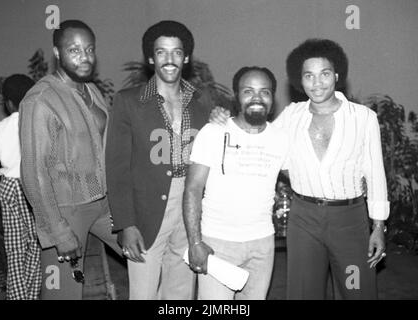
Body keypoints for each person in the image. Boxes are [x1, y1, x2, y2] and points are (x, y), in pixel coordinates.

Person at [210, 39, 389, 300]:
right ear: (300, 80)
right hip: (304, 218)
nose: (317, 83)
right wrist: (222, 120)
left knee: (357, 289)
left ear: (337, 76)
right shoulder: (292, 117)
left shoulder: (363, 118)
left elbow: (375, 174)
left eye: (324, 74)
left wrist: (379, 226)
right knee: (304, 292)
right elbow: (256, 135)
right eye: (309, 76)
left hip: (349, 220)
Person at [106, 20, 216, 300]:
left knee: (179, 292)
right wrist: (125, 224)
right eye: (162, 52)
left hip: (190, 207)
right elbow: (117, 168)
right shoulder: (129, 101)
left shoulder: (202, 101)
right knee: (142, 294)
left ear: (186, 57)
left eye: (177, 52)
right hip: (145, 213)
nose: (169, 59)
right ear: (150, 57)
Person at [19, 20, 121, 300]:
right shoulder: (40, 100)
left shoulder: (90, 90)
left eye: (89, 49)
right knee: (64, 291)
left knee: (143, 251)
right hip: (66, 209)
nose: (84, 57)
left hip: (103, 201)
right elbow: (34, 172)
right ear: (56, 52)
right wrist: (58, 232)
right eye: (74, 50)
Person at [183, 67, 288, 300]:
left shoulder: (281, 139)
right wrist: (195, 242)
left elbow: (304, 177)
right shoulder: (213, 132)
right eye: (248, 91)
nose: (257, 98)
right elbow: (192, 189)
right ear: (236, 97)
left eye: (265, 92)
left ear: (272, 98)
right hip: (217, 243)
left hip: (262, 245)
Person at [0, 74, 41, 300]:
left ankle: (18, 297)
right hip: (36, 188)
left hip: (9, 188)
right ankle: (31, 294)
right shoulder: (40, 123)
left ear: (8, 103)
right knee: (37, 246)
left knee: (15, 248)